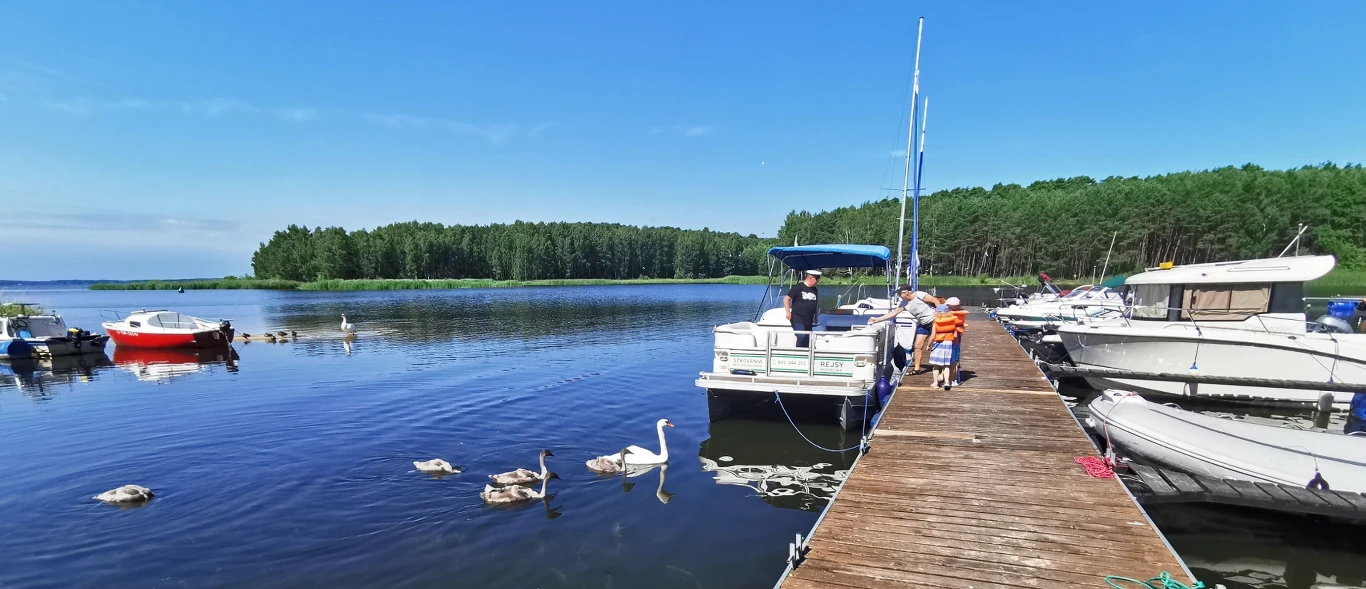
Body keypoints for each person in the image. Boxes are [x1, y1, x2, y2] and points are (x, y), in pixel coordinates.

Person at [869, 285, 943, 374]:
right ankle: (917, 369)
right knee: (918, 346)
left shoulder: (919, 295)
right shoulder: (904, 303)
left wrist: (939, 313)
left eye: (900, 293)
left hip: (933, 321)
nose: (899, 295)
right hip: (923, 324)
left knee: (938, 344)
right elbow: (893, 313)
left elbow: (936, 301)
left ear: (906, 292)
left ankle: (943, 366)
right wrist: (877, 319)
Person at [784, 270, 821, 347]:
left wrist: (816, 316)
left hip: (809, 319)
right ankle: (798, 354)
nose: (817, 282)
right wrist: (788, 312)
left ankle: (807, 355)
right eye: (817, 280)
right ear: (811, 278)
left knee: (808, 339)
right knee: (801, 336)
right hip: (797, 317)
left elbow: (815, 304)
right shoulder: (798, 287)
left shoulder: (815, 290)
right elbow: (786, 299)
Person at [928, 304, 958, 389]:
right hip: (948, 345)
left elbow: (933, 336)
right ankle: (947, 382)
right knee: (946, 365)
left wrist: (928, 345)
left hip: (938, 344)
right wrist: (955, 344)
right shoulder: (952, 321)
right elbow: (955, 335)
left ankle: (935, 383)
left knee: (936, 366)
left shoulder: (936, 321)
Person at [947, 297, 967, 386]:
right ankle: (953, 379)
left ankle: (948, 379)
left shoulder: (946, 314)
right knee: (954, 359)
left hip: (948, 338)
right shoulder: (960, 315)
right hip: (956, 337)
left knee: (949, 359)